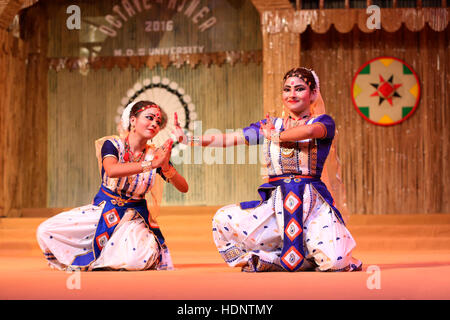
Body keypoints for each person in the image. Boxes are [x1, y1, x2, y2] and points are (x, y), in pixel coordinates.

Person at [173, 67, 362, 272]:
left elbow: (308, 131)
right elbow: (229, 139)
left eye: (299, 89)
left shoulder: (323, 122)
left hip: (313, 204)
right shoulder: (270, 125)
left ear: (314, 93)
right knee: (222, 219)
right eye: (287, 89)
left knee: (337, 262)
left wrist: (276, 136)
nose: (292, 94)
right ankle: (279, 257)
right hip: (277, 204)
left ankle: (298, 259)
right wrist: (187, 138)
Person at [37, 100, 188, 271]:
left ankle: (116, 254)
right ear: (133, 120)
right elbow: (111, 170)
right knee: (46, 230)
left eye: (158, 122)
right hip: (104, 210)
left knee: (133, 260)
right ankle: (99, 256)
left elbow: (184, 187)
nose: (154, 123)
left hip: (134, 218)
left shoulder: (155, 154)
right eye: (149, 118)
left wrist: (166, 167)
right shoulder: (113, 145)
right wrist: (151, 165)